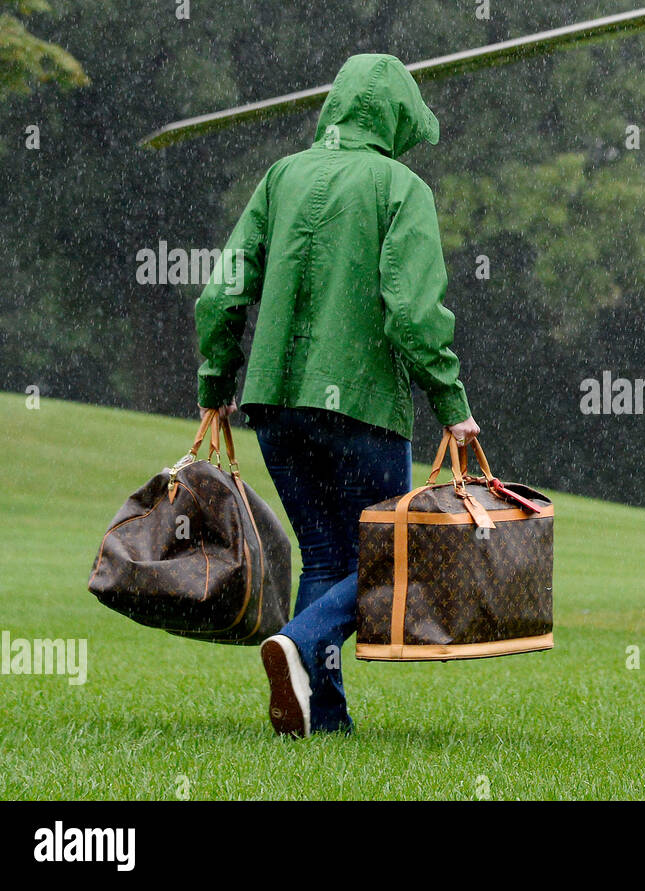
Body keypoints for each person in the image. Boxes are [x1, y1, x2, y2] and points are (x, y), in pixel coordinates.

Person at [194, 54, 479, 737]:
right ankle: (297, 640)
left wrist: (215, 384)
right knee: (393, 555)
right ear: (395, 117)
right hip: (361, 403)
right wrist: (451, 402)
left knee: (325, 554)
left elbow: (221, 290)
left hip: (274, 404)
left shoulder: (281, 176)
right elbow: (411, 311)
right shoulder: (400, 187)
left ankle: (324, 718)